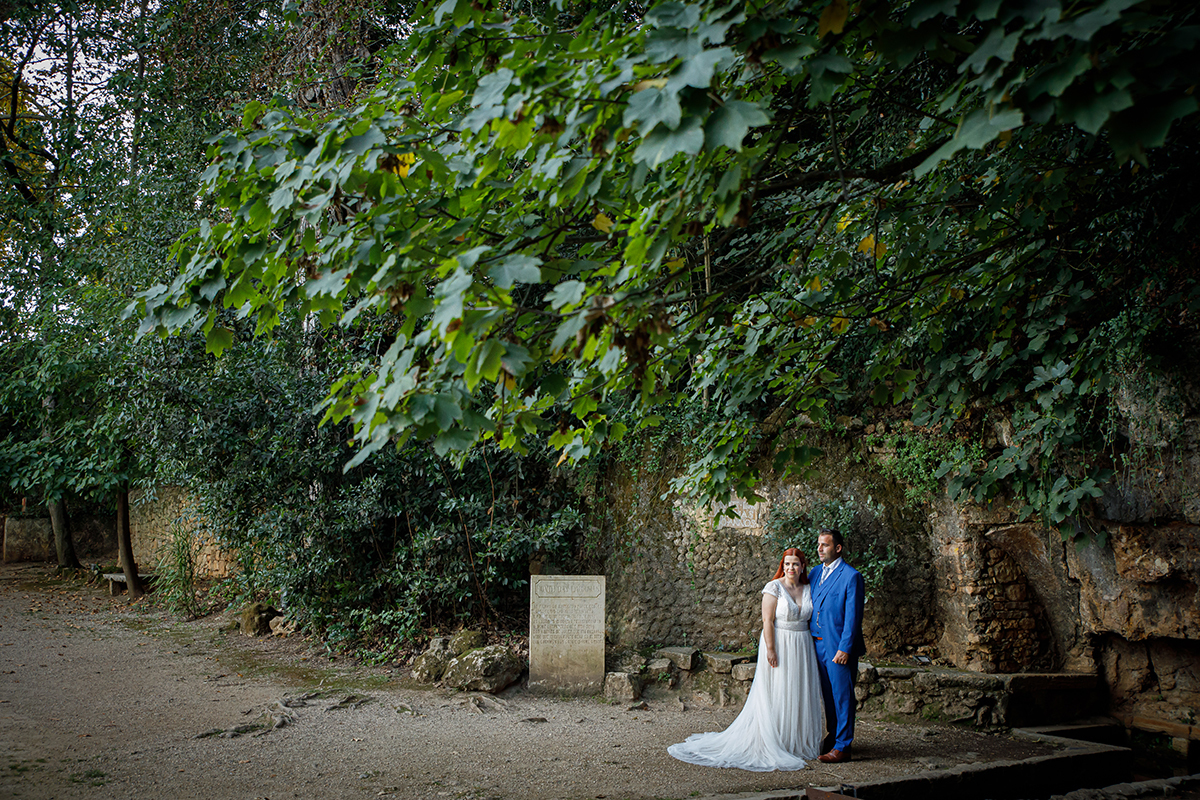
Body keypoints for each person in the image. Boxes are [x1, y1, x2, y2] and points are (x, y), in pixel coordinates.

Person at [667, 548, 824, 771]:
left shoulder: (808, 588)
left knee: (799, 690)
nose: (791, 568)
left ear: (803, 566)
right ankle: (777, 739)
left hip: (802, 645)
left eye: (796, 564)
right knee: (780, 689)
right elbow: (767, 621)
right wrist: (771, 649)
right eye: (787, 564)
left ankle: (796, 741)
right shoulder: (774, 587)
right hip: (780, 643)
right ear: (782, 566)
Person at [809, 528, 865, 764]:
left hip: (838, 647)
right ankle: (833, 736)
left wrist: (845, 648)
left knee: (842, 696)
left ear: (838, 548)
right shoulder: (814, 573)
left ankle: (843, 746)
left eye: (825, 545)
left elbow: (853, 617)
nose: (820, 549)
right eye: (819, 544)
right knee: (828, 696)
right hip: (816, 645)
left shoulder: (851, 576)